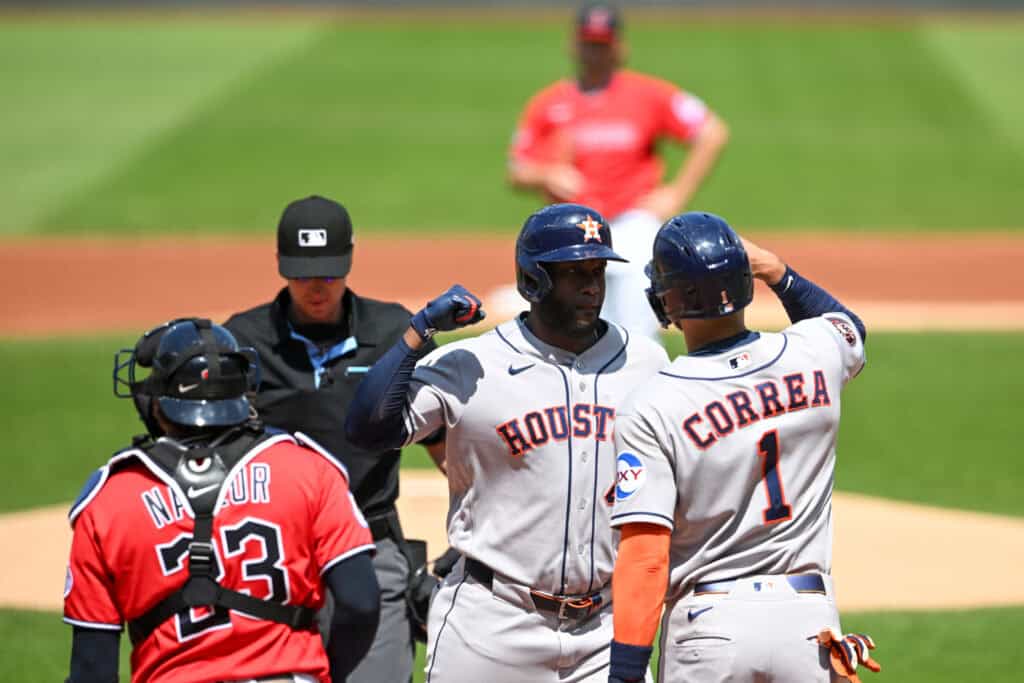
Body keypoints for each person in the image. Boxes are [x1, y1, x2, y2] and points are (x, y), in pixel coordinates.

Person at [345, 203, 669, 682]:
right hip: (491, 626)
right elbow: (368, 429)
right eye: (573, 272)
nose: (591, 286)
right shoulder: (471, 364)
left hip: (603, 628)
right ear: (534, 281)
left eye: (597, 270)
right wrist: (418, 334)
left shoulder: (644, 361)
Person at [605, 212, 881, 682]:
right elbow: (847, 326)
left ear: (667, 301)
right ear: (746, 281)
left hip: (709, 629)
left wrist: (626, 672)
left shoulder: (652, 404)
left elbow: (647, 557)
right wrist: (777, 270)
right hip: (809, 624)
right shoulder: (815, 352)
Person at [64, 318, 379, 683]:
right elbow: (361, 602)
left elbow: (92, 668)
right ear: (244, 395)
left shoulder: (109, 499)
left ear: (157, 404)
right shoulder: (310, 470)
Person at [224, 195, 443, 683]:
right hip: (276, 554)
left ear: (348, 260)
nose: (316, 288)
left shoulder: (393, 333)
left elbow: (445, 444)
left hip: (372, 540)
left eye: (328, 273)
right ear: (282, 267)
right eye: (303, 275)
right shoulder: (244, 341)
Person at [508, 2, 730, 343]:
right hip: (574, 234)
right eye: (589, 43)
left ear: (619, 47)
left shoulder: (648, 94)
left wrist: (677, 193)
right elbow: (517, 169)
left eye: (602, 44)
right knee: (580, 335)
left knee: (637, 334)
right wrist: (546, 174)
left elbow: (711, 131)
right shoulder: (549, 103)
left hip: (632, 224)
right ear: (575, 45)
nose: (595, 53)